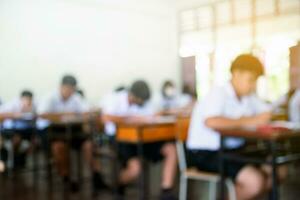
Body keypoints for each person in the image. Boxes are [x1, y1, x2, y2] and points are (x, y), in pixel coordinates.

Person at [186, 54, 287, 200]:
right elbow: (211, 122)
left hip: (234, 150)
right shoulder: (218, 93)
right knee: (255, 182)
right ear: (236, 74)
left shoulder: (248, 97)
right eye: (250, 80)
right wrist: (249, 121)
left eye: (255, 81)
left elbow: (266, 112)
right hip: (205, 153)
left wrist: (262, 117)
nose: (253, 85)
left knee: (278, 169)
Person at [101, 80, 177, 200]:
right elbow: (105, 118)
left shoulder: (144, 104)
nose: (141, 103)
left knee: (171, 149)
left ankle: (166, 191)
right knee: (135, 170)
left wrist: (156, 116)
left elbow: (150, 116)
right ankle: (118, 184)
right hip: (121, 139)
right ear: (132, 95)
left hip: (143, 138)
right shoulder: (116, 99)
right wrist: (129, 119)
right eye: (140, 100)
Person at [38, 75, 106, 193]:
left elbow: (86, 112)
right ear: (61, 87)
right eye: (67, 88)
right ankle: (67, 178)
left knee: (89, 145)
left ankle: (97, 177)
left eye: (72, 89)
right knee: (58, 147)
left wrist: (76, 114)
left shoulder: (76, 97)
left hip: (73, 130)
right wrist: (69, 114)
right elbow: (42, 114)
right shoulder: (50, 97)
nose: (70, 92)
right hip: (53, 131)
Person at [0, 90, 36, 168]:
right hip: (10, 130)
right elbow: (1, 114)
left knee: (33, 138)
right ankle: (10, 161)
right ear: (21, 99)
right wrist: (15, 115)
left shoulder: (33, 107)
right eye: (26, 100)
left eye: (30, 100)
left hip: (25, 131)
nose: (28, 102)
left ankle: (18, 160)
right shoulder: (12, 105)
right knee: (16, 140)